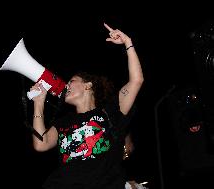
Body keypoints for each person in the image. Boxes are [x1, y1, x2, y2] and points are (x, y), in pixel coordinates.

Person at [29, 22, 144, 189]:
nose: (66, 86)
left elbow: (136, 80)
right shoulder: (63, 122)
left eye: (72, 81)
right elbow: (41, 143)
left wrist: (128, 43)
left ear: (88, 85)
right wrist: (38, 103)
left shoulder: (110, 112)